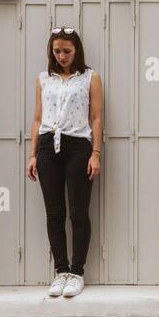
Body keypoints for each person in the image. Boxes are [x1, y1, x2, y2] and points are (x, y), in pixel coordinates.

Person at [26, 27, 103, 298]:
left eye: (67, 51)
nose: (61, 56)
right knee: (54, 213)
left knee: (79, 213)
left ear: (77, 51)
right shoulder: (43, 79)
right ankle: (60, 271)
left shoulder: (90, 77)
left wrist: (95, 153)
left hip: (78, 147)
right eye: (57, 51)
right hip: (48, 146)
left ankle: (77, 272)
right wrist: (33, 154)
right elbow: (37, 118)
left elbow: (95, 117)